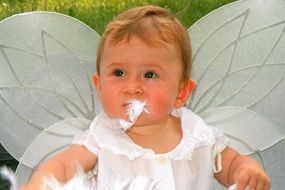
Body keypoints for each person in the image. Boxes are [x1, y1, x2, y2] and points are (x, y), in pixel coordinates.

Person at [20, 5, 270, 190]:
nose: (132, 87)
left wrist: (246, 170)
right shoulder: (101, 138)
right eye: (118, 72)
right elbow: (64, 165)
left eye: (149, 74)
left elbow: (231, 163)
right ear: (99, 85)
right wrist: (41, 185)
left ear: (181, 92)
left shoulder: (198, 136)